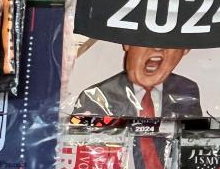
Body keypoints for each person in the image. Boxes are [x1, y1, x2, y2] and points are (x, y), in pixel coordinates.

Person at [74, 44, 203, 118]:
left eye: (170, 39)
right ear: (127, 43)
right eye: (146, 37)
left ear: (186, 49)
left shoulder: (187, 90)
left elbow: (192, 140)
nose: (158, 47)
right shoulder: (97, 96)